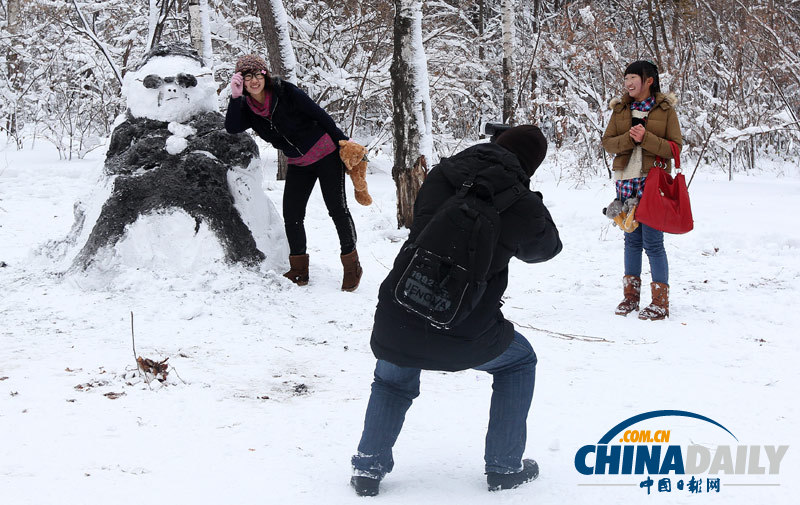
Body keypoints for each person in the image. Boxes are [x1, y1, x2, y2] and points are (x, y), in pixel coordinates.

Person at [349, 126, 562, 496]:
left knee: (391, 378)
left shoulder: (442, 174)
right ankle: (504, 467)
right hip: (466, 331)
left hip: (401, 309)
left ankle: (368, 468)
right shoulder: (522, 204)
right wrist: (531, 199)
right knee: (518, 361)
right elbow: (547, 249)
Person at [224, 54, 362, 291]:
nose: (254, 80)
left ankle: (352, 266)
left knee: (337, 209)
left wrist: (342, 141)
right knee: (293, 214)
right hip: (298, 162)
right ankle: (299, 269)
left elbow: (319, 114)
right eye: (247, 77)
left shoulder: (285, 92)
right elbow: (232, 127)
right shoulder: (246, 108)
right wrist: (235, 97)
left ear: (265, 75)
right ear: (242, 82)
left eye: (258, 74)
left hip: (326, 154)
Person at [601, 60, 682, 320]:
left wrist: (645, 138)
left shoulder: (665, 110)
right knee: (631, 240)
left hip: (652, 183)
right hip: (626, 180)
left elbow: (675, 148)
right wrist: (629, 139)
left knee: (653, 243)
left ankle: (660, 303)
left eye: (633, 78)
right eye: (626, 79)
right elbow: (608, 143)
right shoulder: (621, 108)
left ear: (649, 80)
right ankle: (630, 298)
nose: (628, 83)